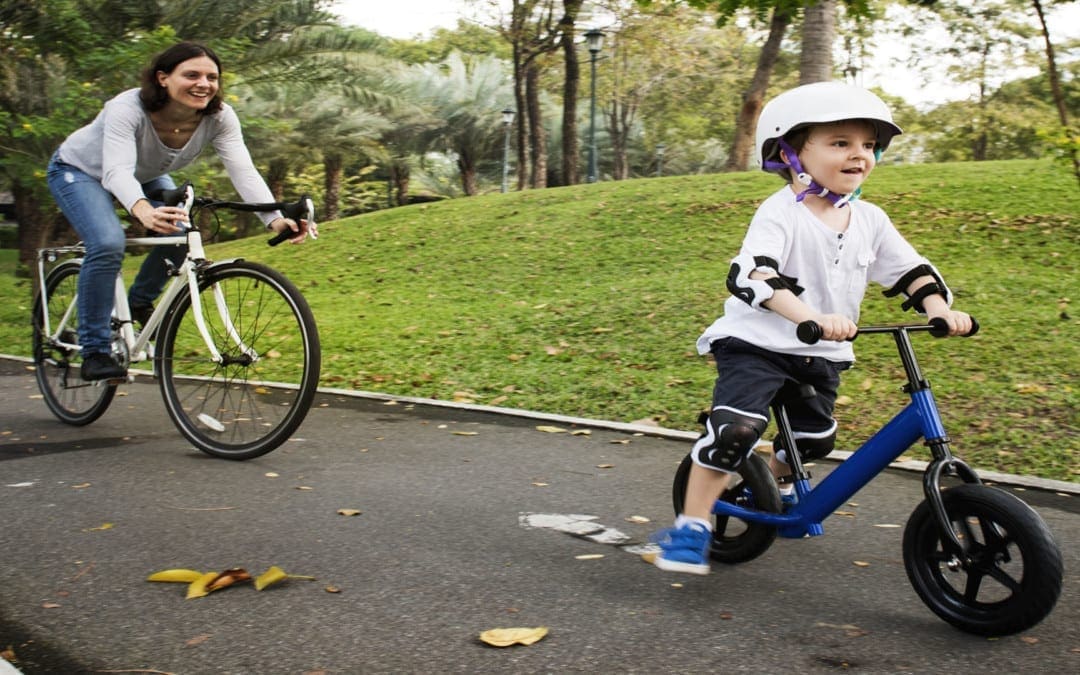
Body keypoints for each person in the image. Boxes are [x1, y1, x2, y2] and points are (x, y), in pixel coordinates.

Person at [652, 81, 973, 575]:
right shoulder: (781, 212)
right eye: (840, 143)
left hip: (822, 352)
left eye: (868, 145)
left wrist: (937, 308)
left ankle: (777, 481)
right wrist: (809, 317)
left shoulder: (870, 219)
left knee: (815, 439)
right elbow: (755, 273)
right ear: (791, 151)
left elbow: (909, 270)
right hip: (757, 344)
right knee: (735, 432)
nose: (858, 155)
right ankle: (691, 526)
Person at [47, 41, 308, 381]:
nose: (204, 84)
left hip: (146, 175)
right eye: (192, 75)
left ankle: (139, 301)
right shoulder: (127, 107)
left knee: (180, 234)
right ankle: (95, 350)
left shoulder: (219, 117)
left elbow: (243, 170)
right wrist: (142, 210)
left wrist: (273, 219)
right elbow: (115, 172)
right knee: (108, 242)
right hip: (80, 171)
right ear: (163, 78)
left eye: (212, 77)